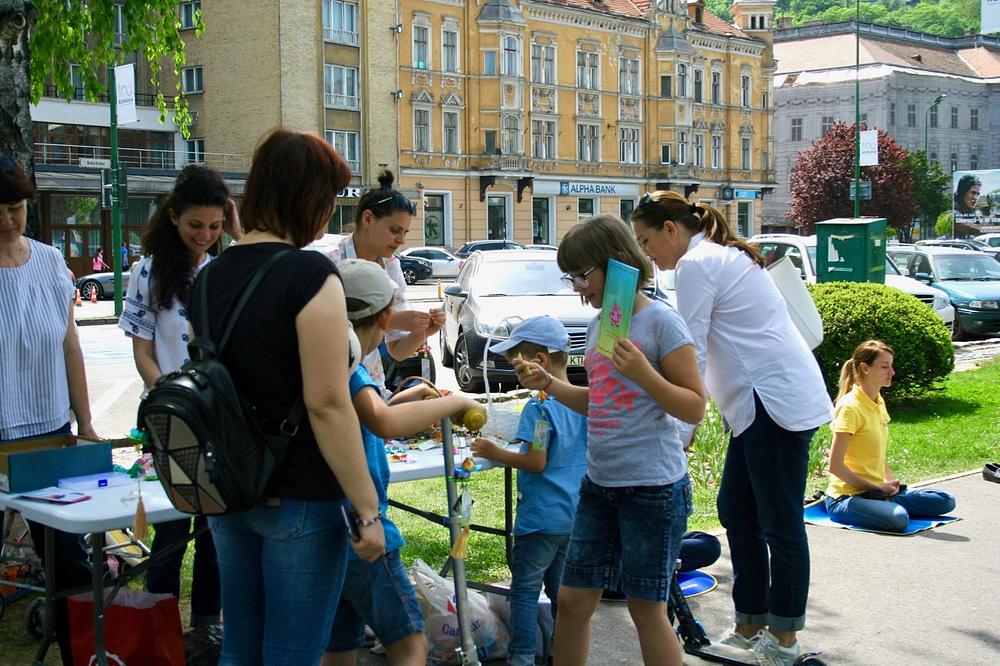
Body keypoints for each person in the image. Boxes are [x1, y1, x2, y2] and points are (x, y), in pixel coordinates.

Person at [189, 129, 385, 665]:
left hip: (232, 487)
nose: (327, 214)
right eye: (328, 199)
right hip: (301, 493)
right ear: (306, 198)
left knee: (241, 652)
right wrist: (367, 509)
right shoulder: (309, 275)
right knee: (292, 655)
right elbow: (327, 402)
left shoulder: (209, 278)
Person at [630, 191, 833, 666]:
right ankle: (749, 625)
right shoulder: (714, 256)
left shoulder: (699, 263)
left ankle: (783, 640)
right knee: (737, 512)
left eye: (646, 240)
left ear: (670, 230)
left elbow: (691, 348)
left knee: (779, 523)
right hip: (758, 405)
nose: (646, 253)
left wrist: (680, 430)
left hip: (772, 403)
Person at [514, 215, 706, 666]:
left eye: (583, 274)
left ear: (617, 263)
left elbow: (694, 407)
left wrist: (644, 373)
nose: (578, 287)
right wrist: (549, 384)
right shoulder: (603, 326)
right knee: (573, 602)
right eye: (572, 276)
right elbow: (600, 400)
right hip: (599, 487)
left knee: (645, 609)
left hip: (653, 490)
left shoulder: (662, 323)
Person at [322, 259, 481, 666]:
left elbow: (376, 412)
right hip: (363, 530)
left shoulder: (323, 362)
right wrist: (458, 400)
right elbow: (383, 420)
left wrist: (409, 400)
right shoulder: (350, 367)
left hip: (326, 525)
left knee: (338, 647)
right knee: (411, 645)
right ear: (385, 317)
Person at [118, 164, 240, 630]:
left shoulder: (225, 269)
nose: (205, 235)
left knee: (215, 530)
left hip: (218, 416)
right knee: (170, 527)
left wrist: (236, 227)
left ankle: (207, 621)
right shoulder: (148, 272)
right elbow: (144, 352)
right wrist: (170, 398)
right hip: (171, 415)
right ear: (172, 217)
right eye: (195, 225)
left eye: (214, 225)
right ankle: (159, 624)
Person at [0, 155, 99, 665]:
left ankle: (76, 652)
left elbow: (70, 347)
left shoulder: (50, 262)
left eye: (15, 208)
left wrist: (84, 422)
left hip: (48, 429)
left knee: (70, 563)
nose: (7, 220)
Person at [469, 316, 589, 666]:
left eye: (517, 363)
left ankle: (521, 656)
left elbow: (536, 461)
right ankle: (559, 652)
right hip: (574, 515)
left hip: (539, 520)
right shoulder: (584, 403)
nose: (514, 370)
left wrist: (495, 453)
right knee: (562, 593)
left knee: (524, 590)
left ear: (540, 362)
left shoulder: (538, 409)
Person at [318, 171, 445, 390]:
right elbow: (323, 334)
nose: (401, 240)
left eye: (405, 232)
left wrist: (424, 331)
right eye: (395, 230)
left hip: (372, 384)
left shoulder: (392, 266)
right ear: (368, 218)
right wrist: (392, 321)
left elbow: (397, 351)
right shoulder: (330, 264)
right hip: (335, 385)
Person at [825, 340, 956, 531]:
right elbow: (835, 467)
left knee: (945, 500)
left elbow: (878, 454)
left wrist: (889, 484)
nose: (892, 372)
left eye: (891, 366)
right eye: (885, 367)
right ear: (864, 368)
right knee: (899, 518)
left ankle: (884, 503)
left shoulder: (878, 401)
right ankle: (884, 506)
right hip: (847, 498)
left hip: (878, 491)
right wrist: (876, 488)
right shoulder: (849, 407)